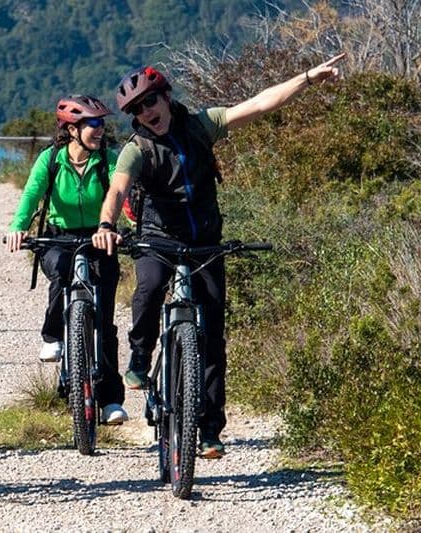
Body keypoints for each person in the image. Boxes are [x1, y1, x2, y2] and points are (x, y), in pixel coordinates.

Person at [92, 54, 345, 457]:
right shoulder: (136, 149)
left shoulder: (201, 125)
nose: (145, 113)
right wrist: (106, 225)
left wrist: (309, 78)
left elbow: (261, 104)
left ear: (165, 96)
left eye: (150, 102)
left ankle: (210, 429)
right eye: (136, 110)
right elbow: (117, 190)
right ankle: (140, 355)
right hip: (159, 238)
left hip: (206, 241)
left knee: (212, 337)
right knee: (150, 287)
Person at [6, 95, 127, 425]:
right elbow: (32, 193)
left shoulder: (107, 159)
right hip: (58, 236)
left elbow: (122, 193)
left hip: (100, 236)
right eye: (93, 124)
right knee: (60, 269)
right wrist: (18, 227)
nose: (100, 130)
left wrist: (126, 227)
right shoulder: (51, 159)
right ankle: (53, 336)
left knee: (105, 323)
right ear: (72, 129)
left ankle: (110, 400)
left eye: (102, 124)